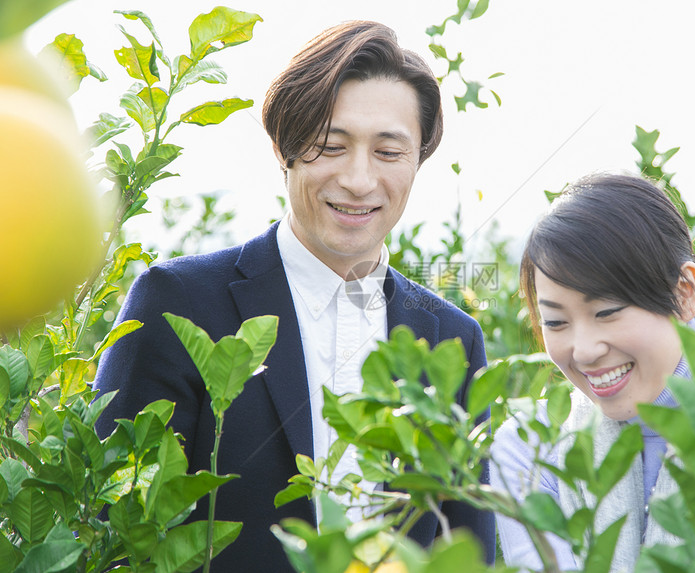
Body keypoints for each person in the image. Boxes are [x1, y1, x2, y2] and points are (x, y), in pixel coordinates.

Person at [94, 21, 494, 571]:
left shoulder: (453, 338)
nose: (358, 179)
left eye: (388, 152)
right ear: (284, 148)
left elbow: (466, 549)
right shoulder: (178, 302)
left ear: (418, 159)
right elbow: (110, 532)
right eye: (331, 146)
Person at [491, 172, 695, 571]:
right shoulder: (530, 448)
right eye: (557, 323)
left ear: (684, 293)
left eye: (607, 313)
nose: (585, 351)